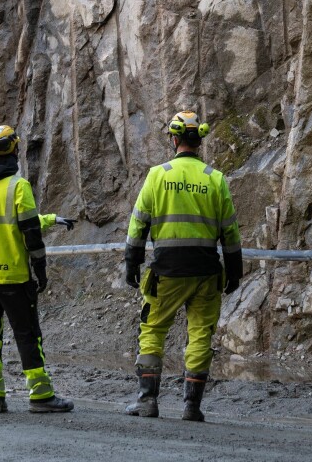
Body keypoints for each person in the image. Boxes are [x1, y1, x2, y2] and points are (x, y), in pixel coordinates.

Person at [123, 110, 242, 422]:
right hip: (207, 272)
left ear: (174, 139)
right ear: (199, 140)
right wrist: (235, 269)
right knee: (201, 335)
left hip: (167, 271)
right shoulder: (215, 179)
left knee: (152, 331)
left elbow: (138, 224)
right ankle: (192, 406)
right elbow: (230, 231)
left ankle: (148, 401)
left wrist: (132, 261)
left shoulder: (157, 175)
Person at [0, 125, 74, 414]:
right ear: (13, 150)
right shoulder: (18, 186)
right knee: (26, 333)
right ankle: (40, 394)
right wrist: (41, 269)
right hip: (13, 275)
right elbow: (31, 233)